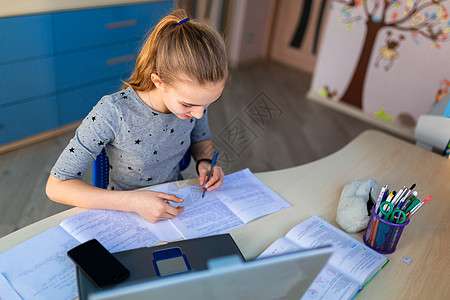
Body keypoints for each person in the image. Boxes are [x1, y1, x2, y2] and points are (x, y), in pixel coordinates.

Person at [46, 9, 228, 223]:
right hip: (124, 211)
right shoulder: (112, 112)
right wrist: (134, 202)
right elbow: (57, 186)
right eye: (188, 104)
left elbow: (201, 138)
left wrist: (205, 161)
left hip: (174, 202)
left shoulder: (195, 103)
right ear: (158, 81)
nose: (198, 114)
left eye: (206, 105)